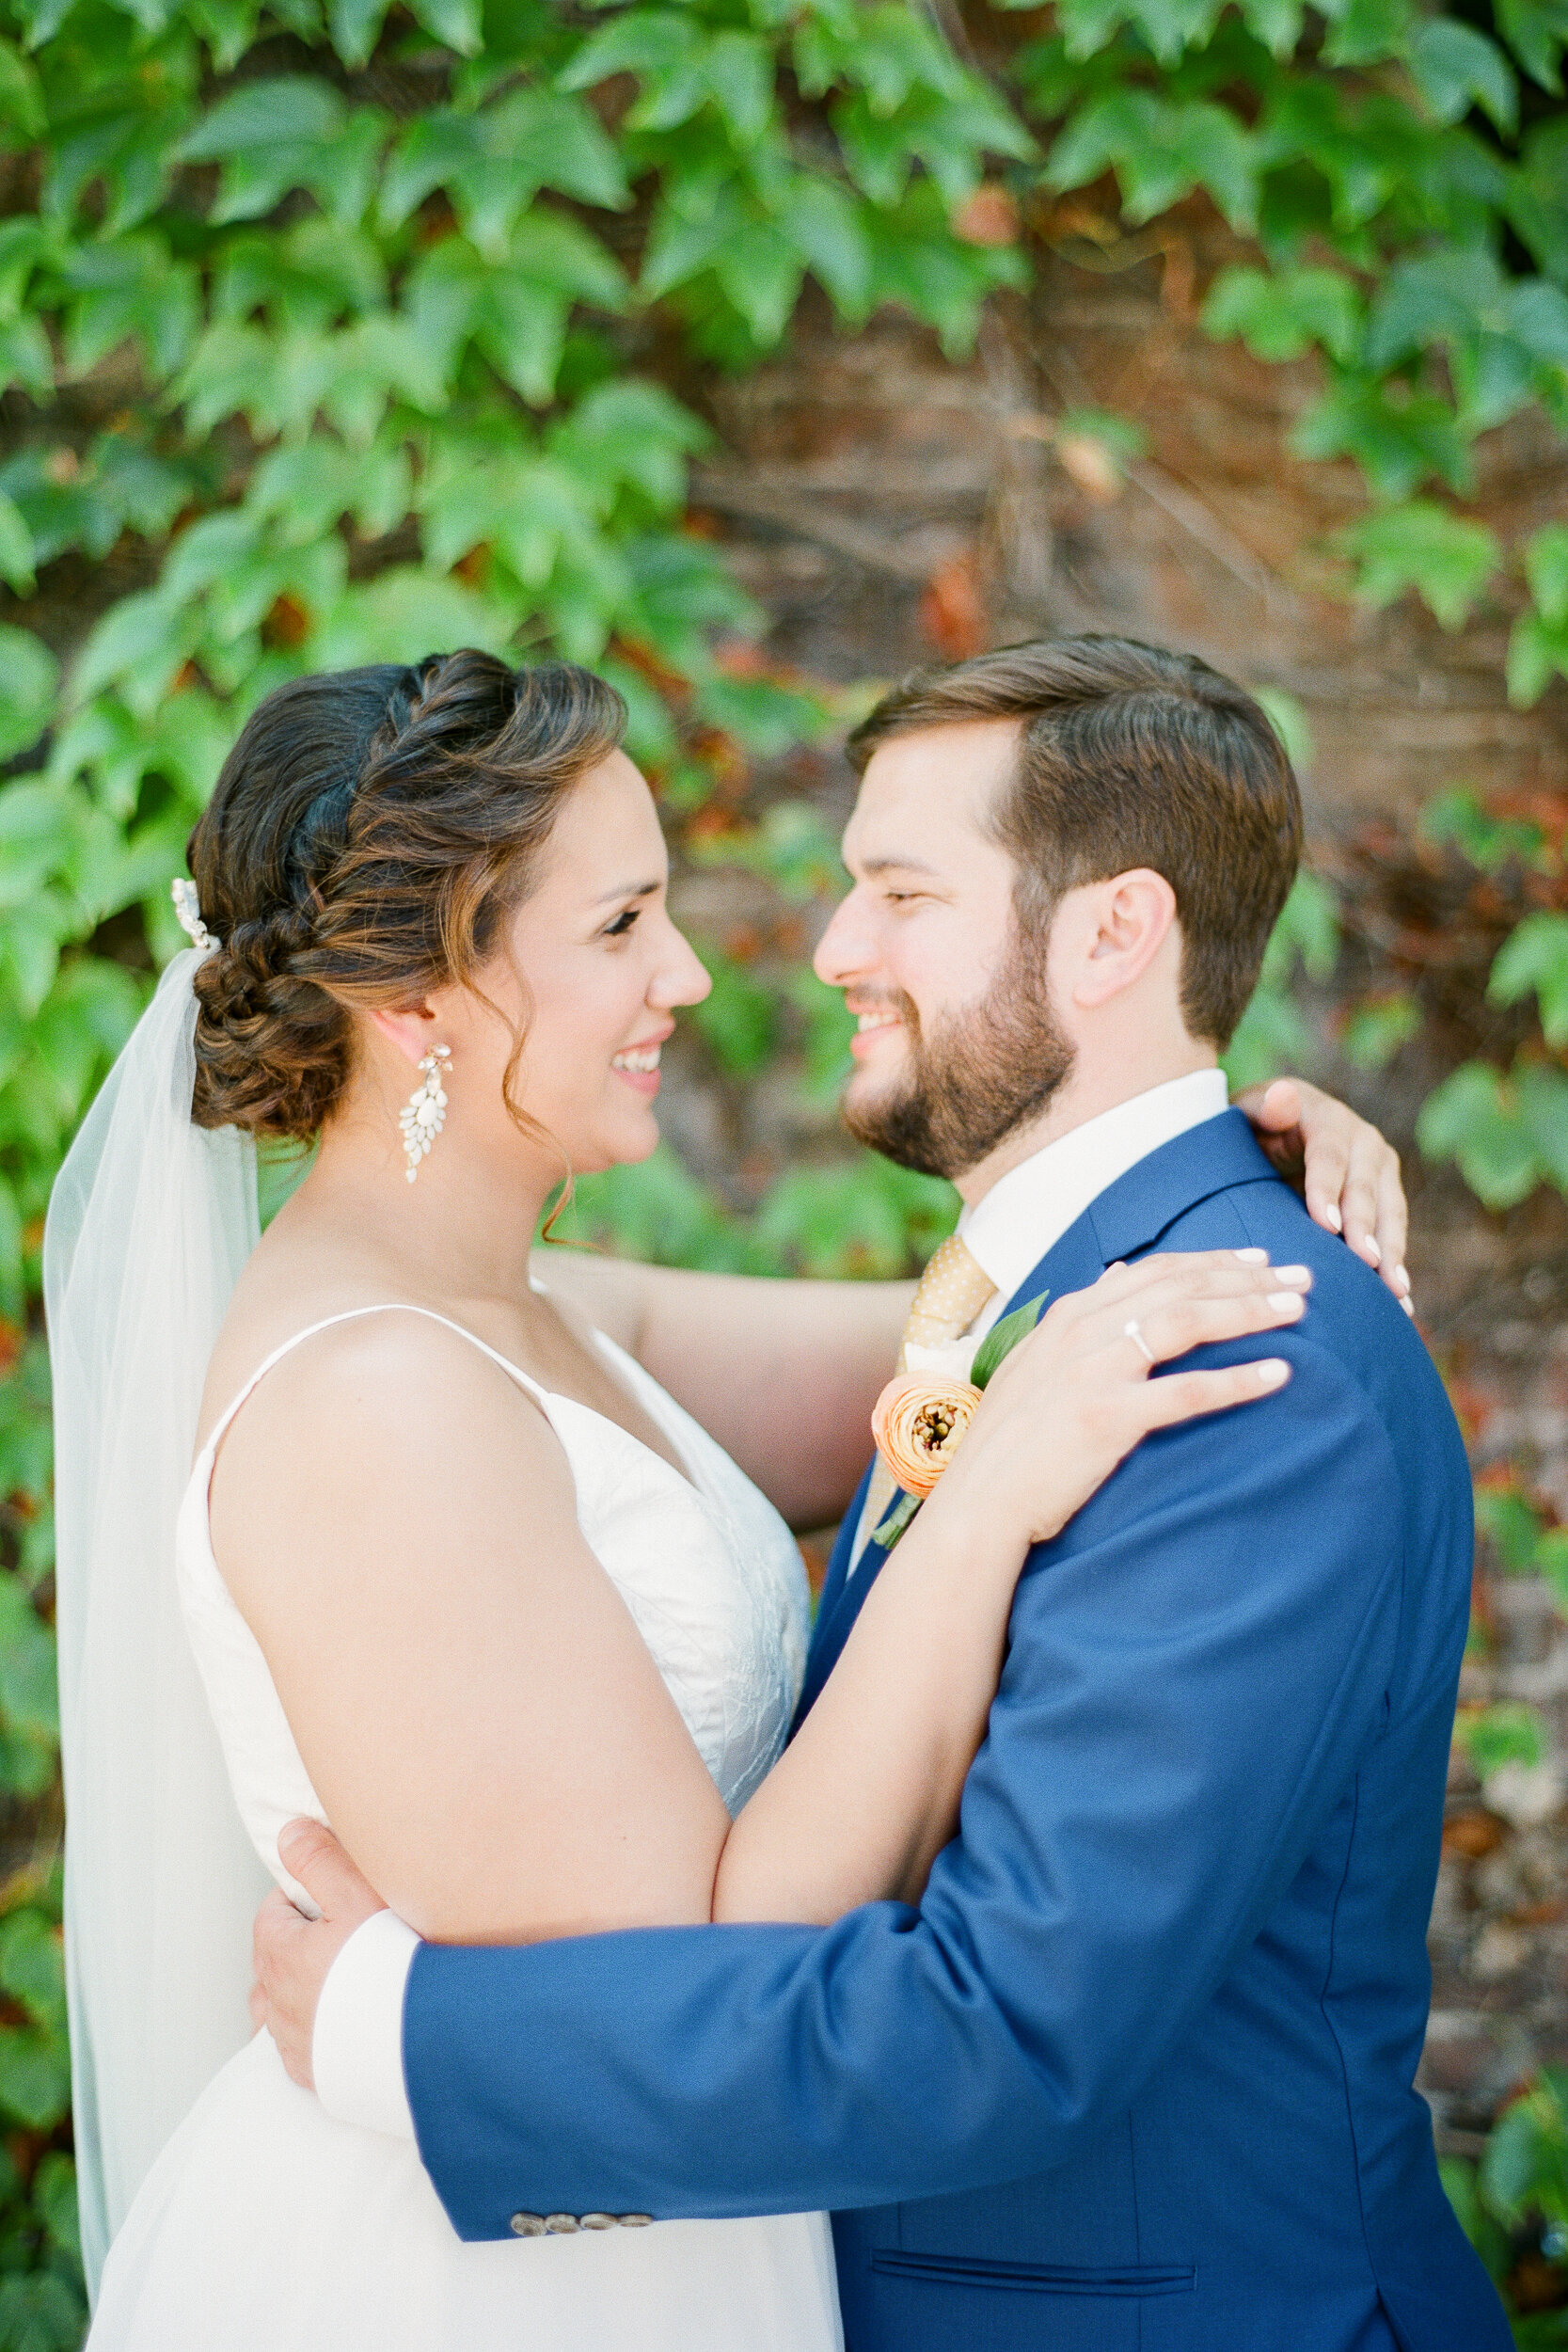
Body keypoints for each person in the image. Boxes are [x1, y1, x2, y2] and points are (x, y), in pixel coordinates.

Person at [45, 644, 1387, 2351]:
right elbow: (717, 1961)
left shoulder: (541, 1312)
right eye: (616, 929)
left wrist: (1206, 1156)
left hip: (665, 2236)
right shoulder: (375, 1405)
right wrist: (975, 1520)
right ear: (412, 1004)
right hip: (486, 2274)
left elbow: (973, 1346)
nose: (687, 972)